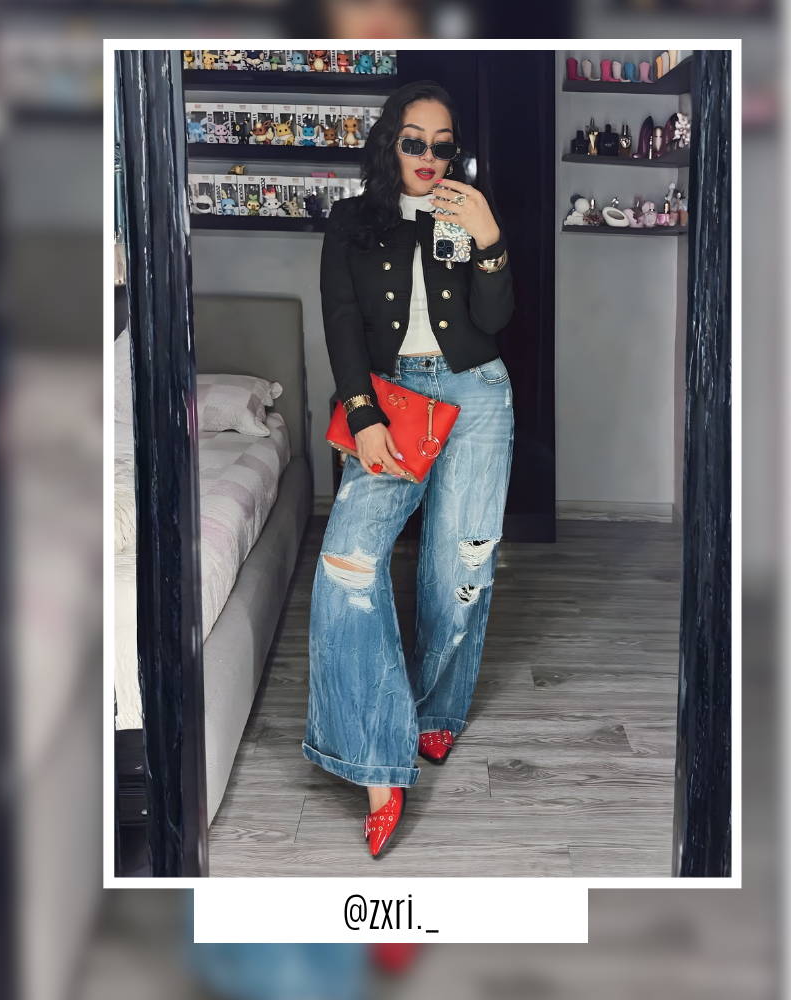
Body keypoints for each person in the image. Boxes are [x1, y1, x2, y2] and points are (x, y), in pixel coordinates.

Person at [301, 80, 515, 858]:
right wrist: (362, 415)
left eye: (442, 145)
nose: (430, 156)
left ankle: (433, 713)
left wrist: (490, 240)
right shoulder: (351, 221)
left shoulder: (465, 212)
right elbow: (341, 320)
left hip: (477, 395)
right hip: (390, 400)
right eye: (415, 142)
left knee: (462, 568)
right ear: (390, 142)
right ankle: (375, 763)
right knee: (349, 564)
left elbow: (493, 320)